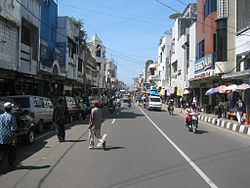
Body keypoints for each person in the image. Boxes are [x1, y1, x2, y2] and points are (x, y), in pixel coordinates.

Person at [0, 102, 17, 167]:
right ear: (10, 109)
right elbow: (13, 129)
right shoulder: (12, 117)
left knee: (1, 153)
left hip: (1, 137)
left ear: (4, 109)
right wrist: (14, 139)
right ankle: (11, 164)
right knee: (12, 151)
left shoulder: (0, 116)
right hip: (9, 137)